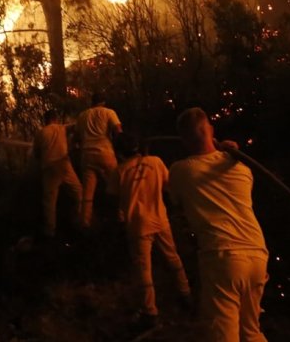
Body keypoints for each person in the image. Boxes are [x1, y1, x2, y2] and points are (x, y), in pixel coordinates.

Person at [168, 107, 269, 342]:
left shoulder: (180, 171)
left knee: (222, 336)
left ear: (184, 139)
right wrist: (228, 153)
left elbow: (175, 200)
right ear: (211, 130)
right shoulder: (242, 168)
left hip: (223, 256)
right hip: (257, 253)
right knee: (251, 331)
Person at [107, 132, 191, 332]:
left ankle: (150, 312)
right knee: (173, 258)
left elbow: (113, 197)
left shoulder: (119, 171)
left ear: (118, 152)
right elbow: (168, 187)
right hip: (160, 220)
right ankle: (186, 294)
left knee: (144, 269)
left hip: (137, 225)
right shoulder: (155, 162)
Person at [33, 109, 83, 238]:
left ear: (45, 120)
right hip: (64, 164)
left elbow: (37, 154)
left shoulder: (40, 133)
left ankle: (50, 232)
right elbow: (76, 125)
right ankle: (79, 220)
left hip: (49, 167)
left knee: (49, 202)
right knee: (79, 192)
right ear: (55, 118)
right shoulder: (62, 128)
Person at [74, 91, 122, 227]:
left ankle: (85, 222)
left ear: (92, 102)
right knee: (117, 185)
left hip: (87, 155)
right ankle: (122, 217)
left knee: (88, 192)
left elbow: (76, 137)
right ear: (104, 102)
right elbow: (118, 130)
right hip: (105, 152)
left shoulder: (82, 116)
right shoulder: (108, 112)